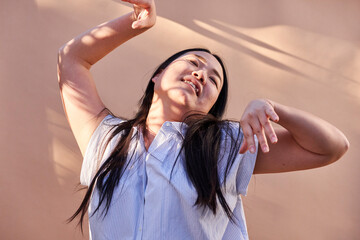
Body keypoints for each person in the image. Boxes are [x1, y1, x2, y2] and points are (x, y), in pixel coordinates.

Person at [57, 0, 349, 239]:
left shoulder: (224, 146)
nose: (201, 75)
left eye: (214, 80)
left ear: (208, 109)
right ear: (157, 76)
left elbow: (331, 147)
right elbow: (70, 59)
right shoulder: (106, 139)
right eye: (194, 63)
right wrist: (139, 21)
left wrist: (274, 109)